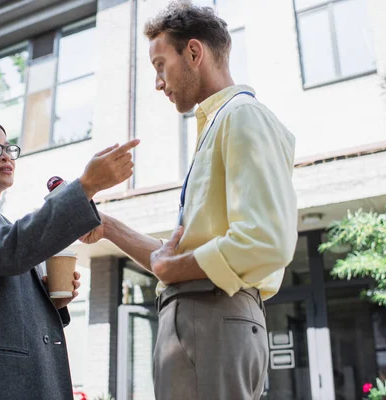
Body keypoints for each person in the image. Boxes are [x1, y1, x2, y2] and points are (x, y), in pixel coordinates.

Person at [79, 2, 297, 399]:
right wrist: (108, 226)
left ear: (193, 53)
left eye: (161, 65)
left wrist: (177, 268)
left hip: (213, 317)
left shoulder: (242, 116)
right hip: (202, 317)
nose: (158, 83)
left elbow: (267, 239)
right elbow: (172, 262)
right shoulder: (218, 124)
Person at [0, 118, 138, 400]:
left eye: (8, 148)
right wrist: (84, 187)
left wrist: (51, 302)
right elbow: (6, 253)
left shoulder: (2, 224)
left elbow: (7, 274)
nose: (6, 155)